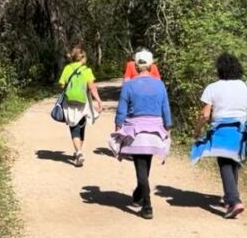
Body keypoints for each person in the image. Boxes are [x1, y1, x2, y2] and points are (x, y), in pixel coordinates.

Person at [193, 52, 247, 219]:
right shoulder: (246, 86)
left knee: (224, 163)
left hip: (221, 130)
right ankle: (230, 198)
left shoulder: (212, 87)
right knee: (233, 162)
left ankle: (234, 201)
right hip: (241, 130)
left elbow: (205, 114)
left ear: (220, 69)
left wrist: (197, 130)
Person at [110, 50, 172, 220]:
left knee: (141, 167)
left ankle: (147, 205)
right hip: (155, 130)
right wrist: (168, 127)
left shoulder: (129, 86)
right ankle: (139, 193)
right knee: (145, 165)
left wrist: (118, 128)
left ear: (136, 66)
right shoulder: (159, 84)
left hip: (135, 131)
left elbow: (121, 109)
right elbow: (165, 107)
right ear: (151, 65)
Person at [58, 46, 104, 167]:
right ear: (82, 57)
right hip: (83, 103)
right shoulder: (86, 70)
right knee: (81, 126)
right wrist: (98, 100)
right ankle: (79, 151)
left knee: (74, 127)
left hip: (70, 102)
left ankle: (78, 152)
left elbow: (62, 85)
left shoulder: (67, 68)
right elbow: (92, 87)